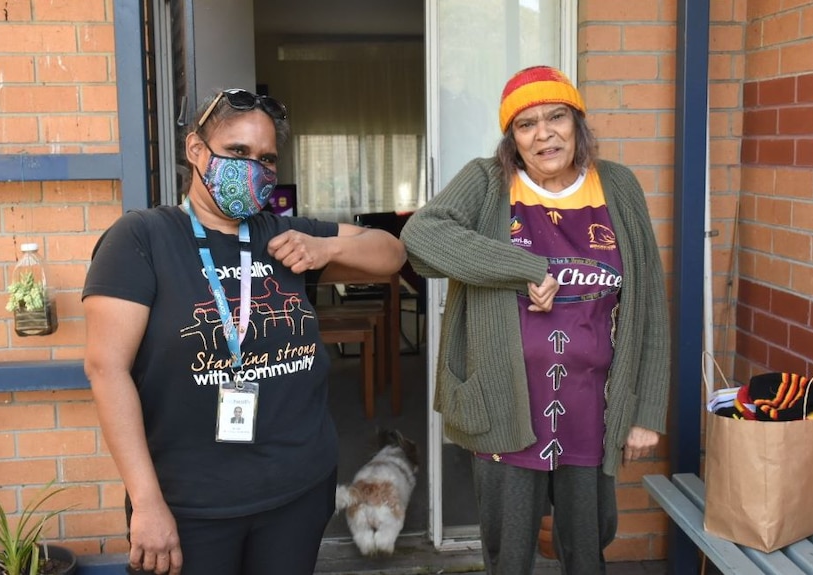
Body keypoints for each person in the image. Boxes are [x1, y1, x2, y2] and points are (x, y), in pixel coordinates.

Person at [82, 88, 406, 575]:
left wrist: (324, 250)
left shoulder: (282, 233)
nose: (254, 168)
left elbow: (390, 253)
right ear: (196, 151)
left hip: (298, 490)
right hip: (192, 505)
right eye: (238, 152)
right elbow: (106, 369)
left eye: (267, 158)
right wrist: (146, 502)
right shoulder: (142, 238)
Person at [400, 66, 670, 574]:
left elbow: (649, 303)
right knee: (508, 551)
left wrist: (646, 411)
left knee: (588, 547)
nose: (544, 133)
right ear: (512, 139)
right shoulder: (486, 182)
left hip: (592, 403)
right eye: (526, 125)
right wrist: (523, 268)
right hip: (504, 404)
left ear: (578, 124)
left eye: (556, 117)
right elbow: (422, 236)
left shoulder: (617, 186)